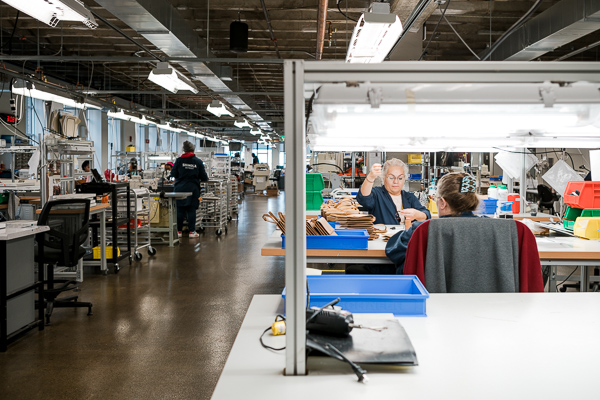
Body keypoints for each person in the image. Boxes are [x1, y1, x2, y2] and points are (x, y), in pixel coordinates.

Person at [385, 172, 480, 274]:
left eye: (436, 198)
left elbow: (392, 250)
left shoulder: (423, 229)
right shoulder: (490, 228)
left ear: (443, 203)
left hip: (430, 288)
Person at [356, 158, 430, 225]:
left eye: (400, 178)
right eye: (391, 178)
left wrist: (418, 215)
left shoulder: (409, 197)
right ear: (384, 178)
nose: (396, 182)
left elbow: (427, 214)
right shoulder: (377, 194)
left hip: (405, 238)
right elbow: (364, 198)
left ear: (404, 179)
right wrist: (371, 177)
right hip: (382, 239)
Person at [171, 141, 208, 238]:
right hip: (193, 189)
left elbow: (173, 174)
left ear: (184, 149)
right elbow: (204, 177)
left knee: (179, 210)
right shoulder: (198, 161)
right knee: (191, 209)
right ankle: (192, 231)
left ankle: (178, 231)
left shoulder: (178, 161)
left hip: (179, 188)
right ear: (193, 149)